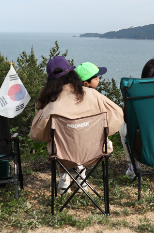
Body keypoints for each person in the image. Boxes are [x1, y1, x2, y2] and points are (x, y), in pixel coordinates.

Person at [30, 56, 123, 193]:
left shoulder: (52, 103)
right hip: (95, 153)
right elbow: (118, 114)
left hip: (63, 158)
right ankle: (82, 179)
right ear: (72, 74)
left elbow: (37, 134)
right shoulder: (93, 95)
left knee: (57, 141)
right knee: (83, 136)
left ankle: (64, 179)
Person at [120, 58, 154, 178]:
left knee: (122, 126)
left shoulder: (136, 92)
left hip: (143, 138)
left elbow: (128, 118)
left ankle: (134, 165)